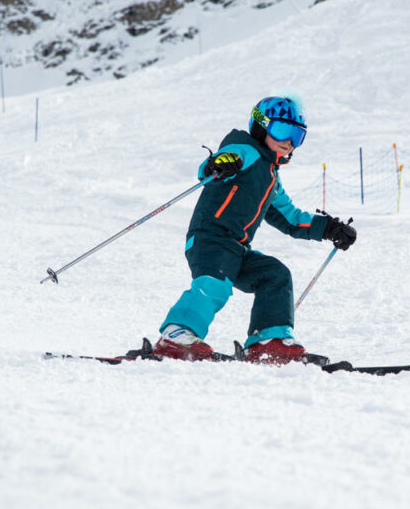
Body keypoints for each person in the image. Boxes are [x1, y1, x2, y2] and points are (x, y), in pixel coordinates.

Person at [153, 96, 357, 364]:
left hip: (237, 249)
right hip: (210, 239)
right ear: (262, 127)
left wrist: (329, 228)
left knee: (274, 275)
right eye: (283, 131)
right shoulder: (245, 151)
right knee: (215, 285)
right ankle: (175, 335)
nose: (289, 142)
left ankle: (267, 341)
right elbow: (216, 163)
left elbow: (291, 218)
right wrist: (220, 163)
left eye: (297, 136)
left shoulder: (272, 179)